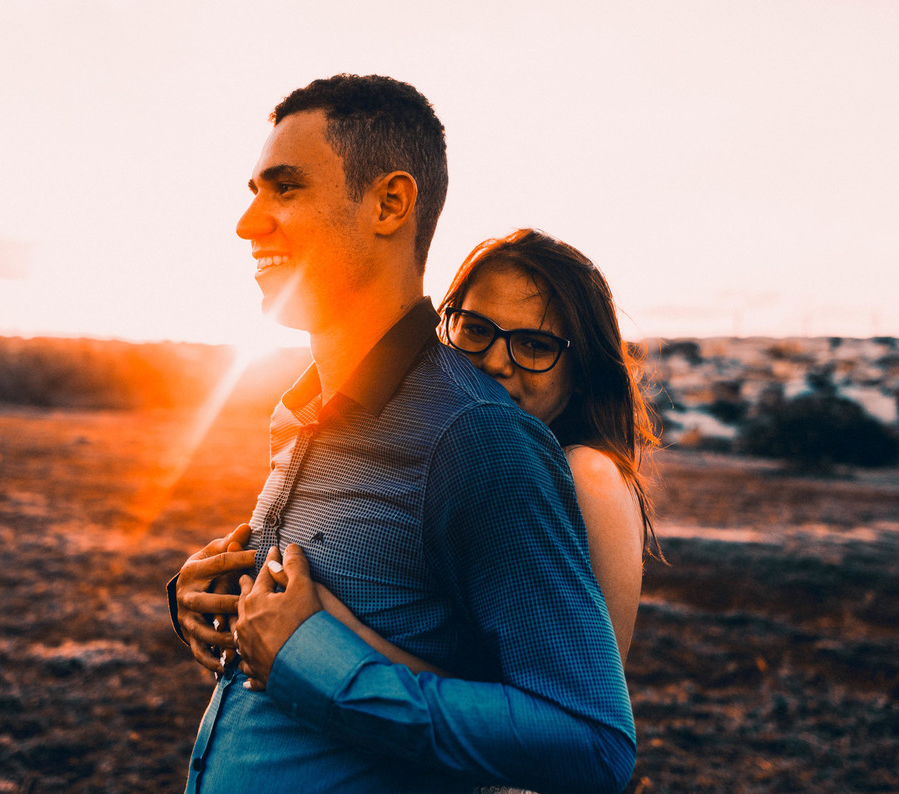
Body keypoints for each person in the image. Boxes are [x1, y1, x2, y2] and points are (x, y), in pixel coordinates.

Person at [170, 74, 637, 794]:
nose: (247, 224)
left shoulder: (479, 438)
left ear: (390, 203)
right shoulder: (298, 414)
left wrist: (317, 664)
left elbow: (591, 746)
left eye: (284, 189)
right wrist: (205, 604)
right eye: (478, 331)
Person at [284, 229, 661, 684]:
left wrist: (329, 634)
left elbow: (573, 707)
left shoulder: (588, 474)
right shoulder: (467, 458)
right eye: (477, 331)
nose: (496, 362)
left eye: (534, 345)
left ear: (581, 371)